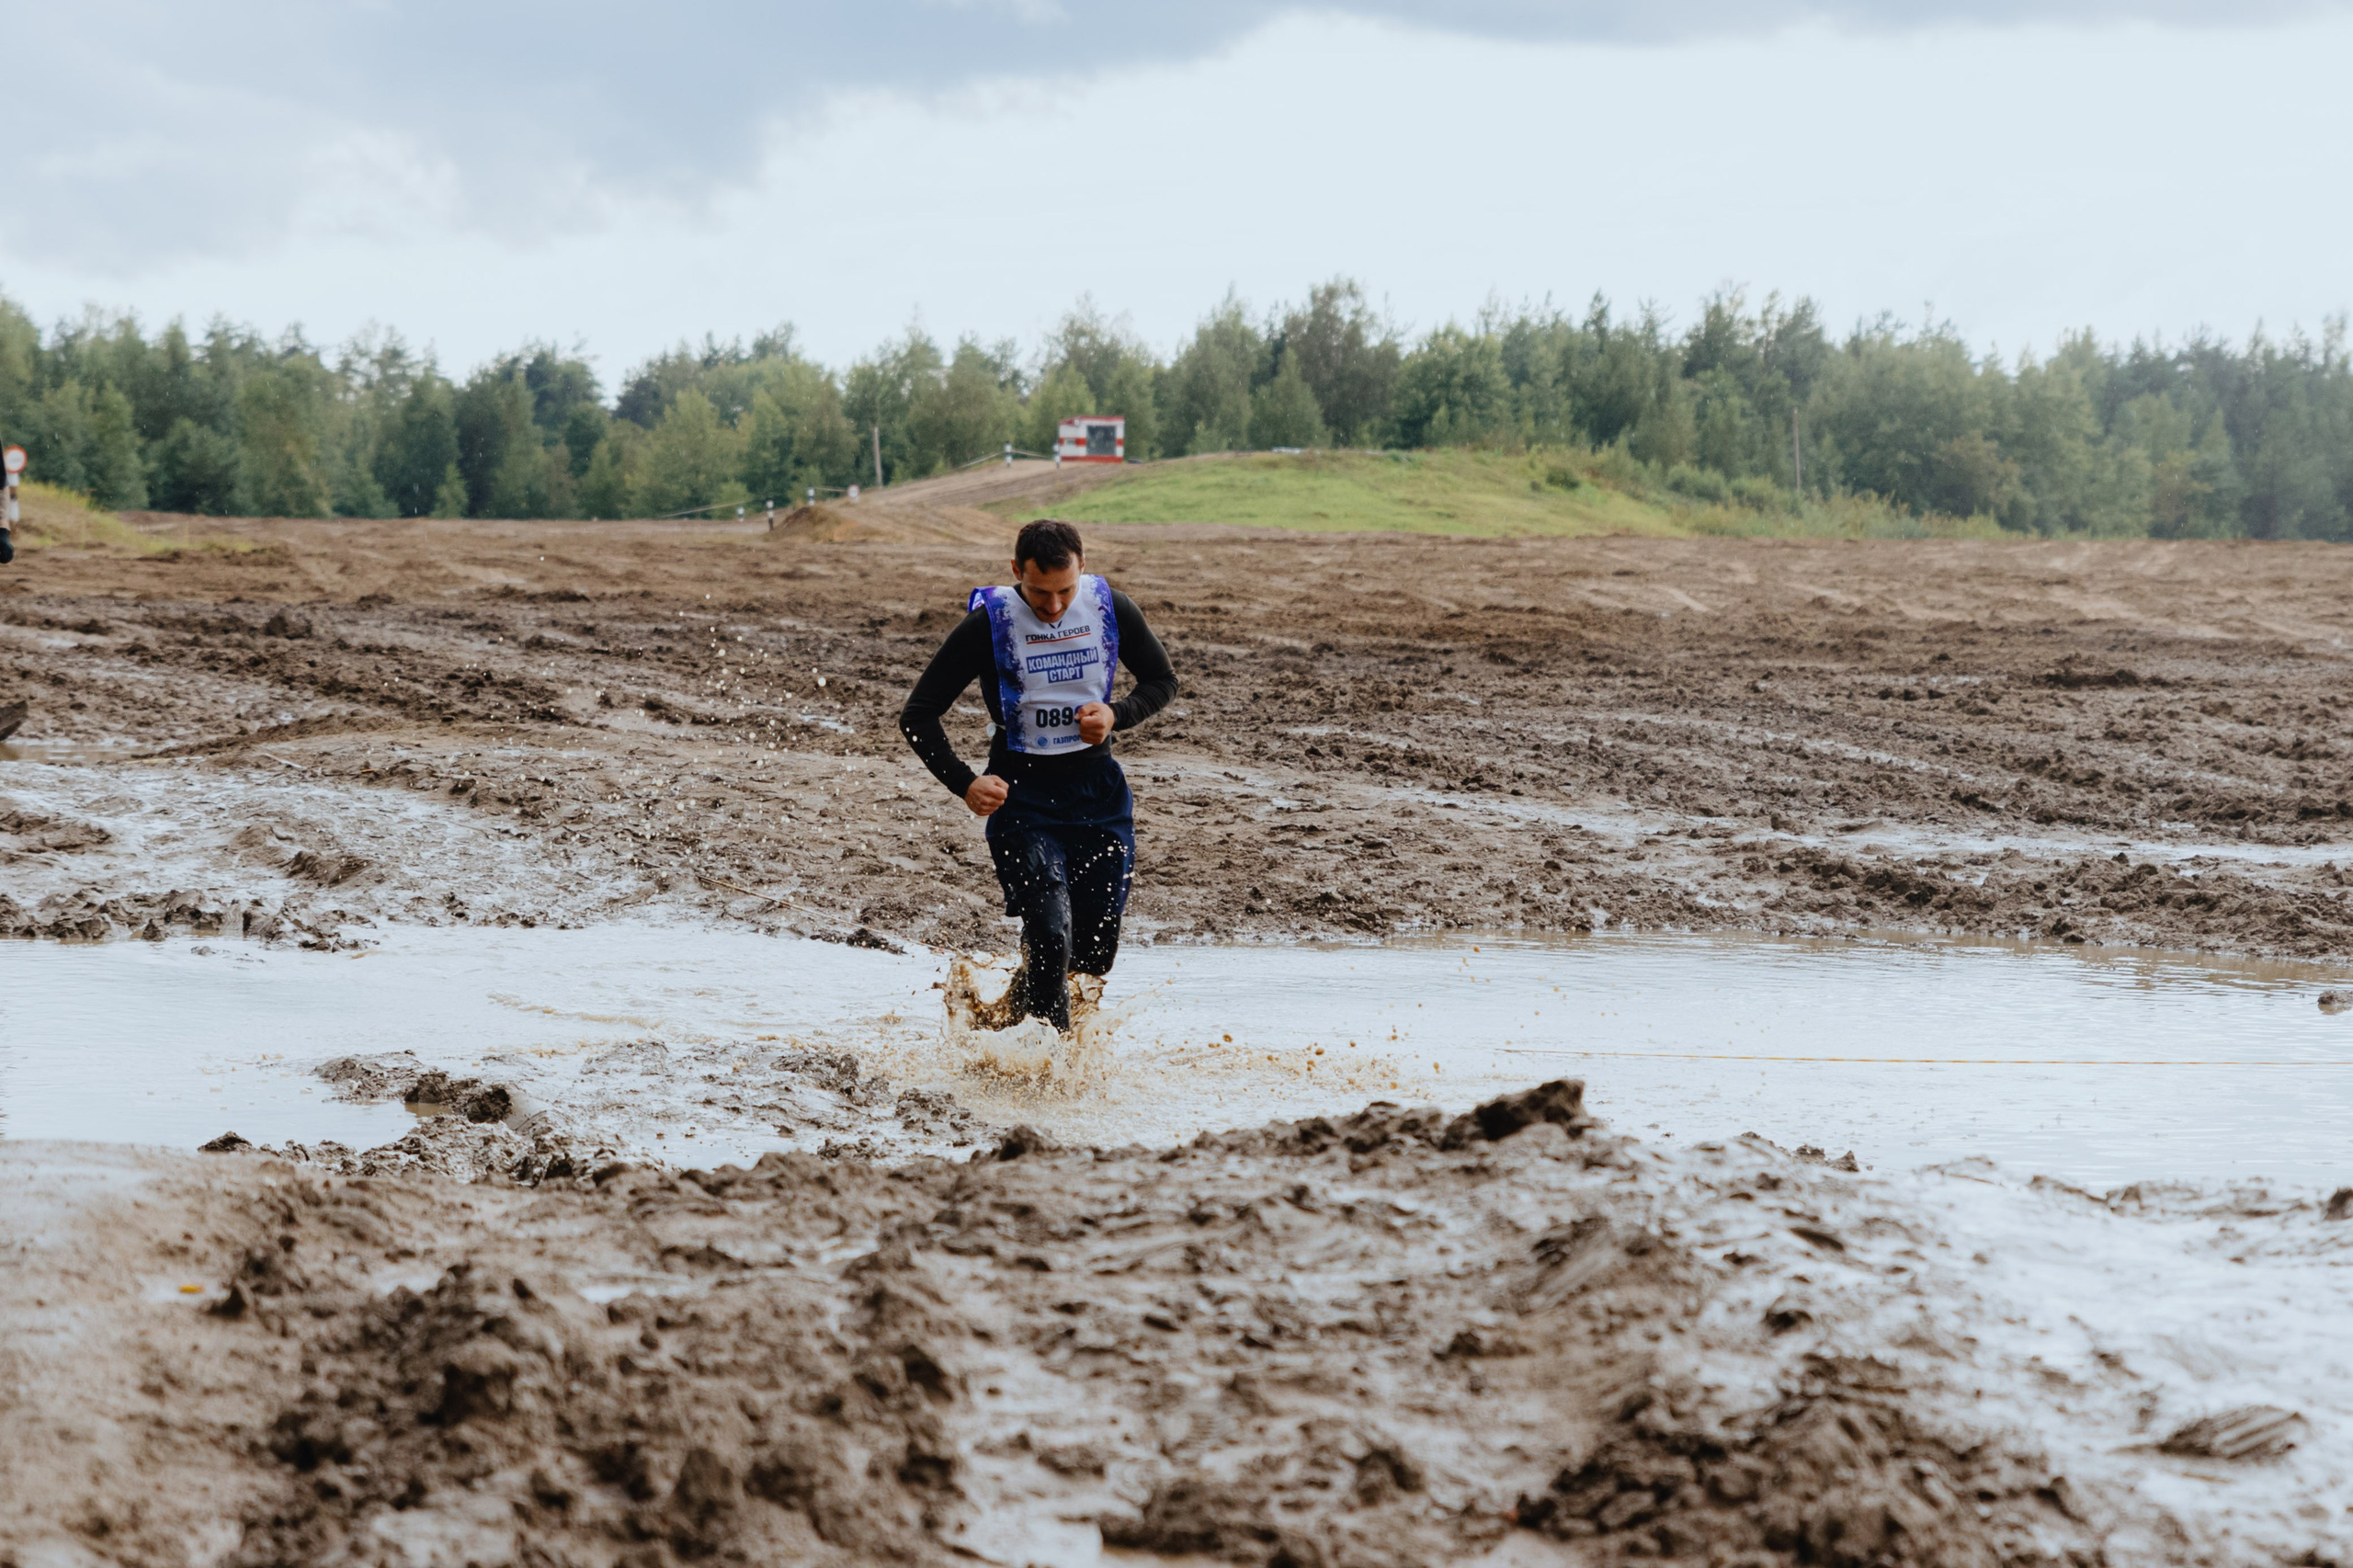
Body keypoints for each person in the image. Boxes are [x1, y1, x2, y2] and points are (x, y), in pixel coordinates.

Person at [899, 518, 1177, 1031]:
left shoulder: (1111, 608)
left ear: (1083, 568)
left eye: (1065, 591)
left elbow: (1163, 681)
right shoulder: (990, 623)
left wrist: (1118, 713)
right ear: (1015, 572)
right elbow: (917, 714)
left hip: (1099, 796)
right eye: (1039, 592)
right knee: (1051, 933)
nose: (1052, 607)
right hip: (1020, 799)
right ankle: (1052, 1065)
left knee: (1093, 954)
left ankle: (1006, 1017)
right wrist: (965, 783)